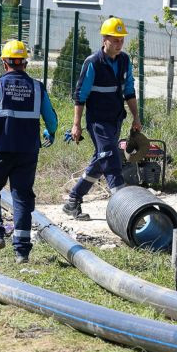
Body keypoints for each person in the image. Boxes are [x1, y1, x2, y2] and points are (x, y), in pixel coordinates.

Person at [0, 39, 57, 263]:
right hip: (28, 152)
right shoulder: (37, 87)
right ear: (25, 63)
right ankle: (21, 252)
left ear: (4, 63)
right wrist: (50, 133)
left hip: (0, 150)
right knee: (21, 197)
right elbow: (52, 119)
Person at [62, 16, 143, 220]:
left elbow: (130, 91)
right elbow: (80, 96)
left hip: (116, 119)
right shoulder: (92, 63)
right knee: (109, 156)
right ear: (104, 40)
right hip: (97, 120)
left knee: (100, 160)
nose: (119, 44)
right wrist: (76, 125)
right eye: (115, 40)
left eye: (121, 40)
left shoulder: (125, 61)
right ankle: (125, 204)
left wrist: (136, 117)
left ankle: (73, 200)